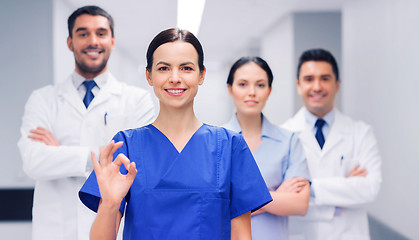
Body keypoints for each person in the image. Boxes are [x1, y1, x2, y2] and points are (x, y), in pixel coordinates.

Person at [79, 28, 273, 240]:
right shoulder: (126, 145)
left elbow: (242, 236)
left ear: (202, 75)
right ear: (149, 76)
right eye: (163, 68)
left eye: (186, 68)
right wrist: (109, 205)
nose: (174, 78)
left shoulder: (230, 146)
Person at [17, 5, 154, 240]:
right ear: (70, 42)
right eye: (83, 33)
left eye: (101, 33)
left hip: (113, 229)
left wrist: (59, 153)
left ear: (112, 41)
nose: (93, 41)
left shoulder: (137, 100)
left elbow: (139, 163)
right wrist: (103, 156)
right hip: (55, 230)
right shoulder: (43, 99)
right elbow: (32, 161)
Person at [282, 48, 382, 239]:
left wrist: (309, 188)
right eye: (309, 79)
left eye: (325, 78)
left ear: (337, 84)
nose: (317, 87)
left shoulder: (361, 133)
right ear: (299, 85)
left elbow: (370, 189)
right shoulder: (284, 134)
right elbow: (282, 197)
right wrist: (344, 190)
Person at [223, 56, 310, 239]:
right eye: (243, 84)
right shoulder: (216, 142)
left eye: (260, 85)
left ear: (269, 90)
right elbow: (213, 208)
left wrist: (239, 201)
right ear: (230, 89)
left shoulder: (289, 141)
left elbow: (300, 204)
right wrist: (275, 196)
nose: (252, 92)